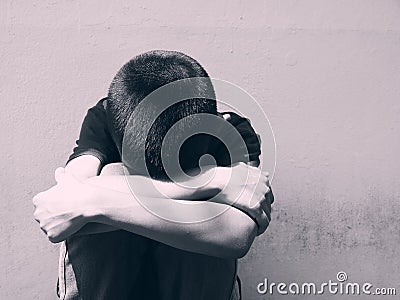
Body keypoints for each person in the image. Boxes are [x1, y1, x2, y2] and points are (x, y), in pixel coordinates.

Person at [33, 50, 273, 299]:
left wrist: (96, 201)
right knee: (113, 174)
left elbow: (236, 235)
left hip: (192, 286)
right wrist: (209, 181)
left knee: (106, 184)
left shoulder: (231, 132)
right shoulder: (109, 116)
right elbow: (57, 212)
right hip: (107, 284)